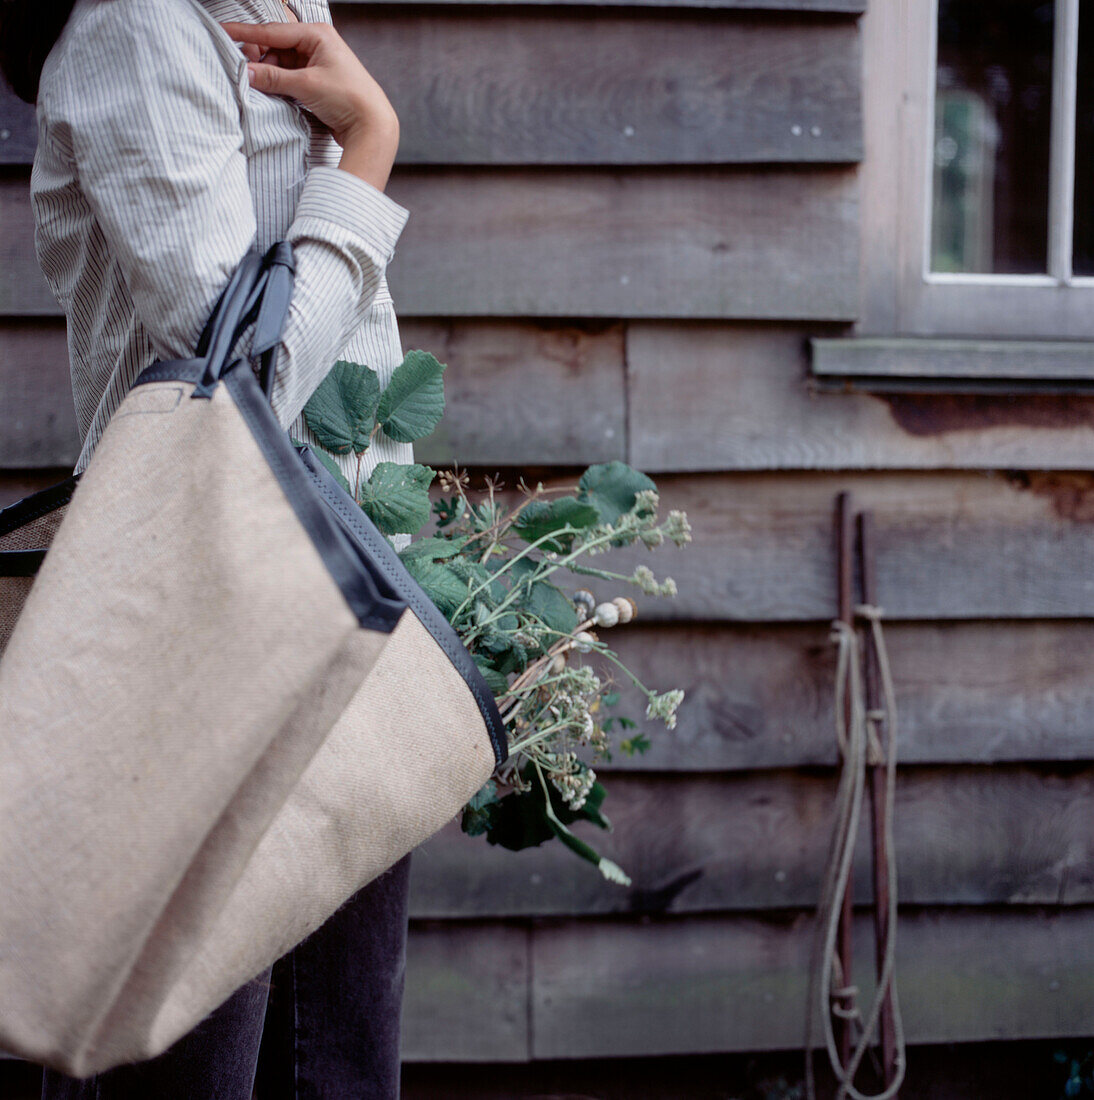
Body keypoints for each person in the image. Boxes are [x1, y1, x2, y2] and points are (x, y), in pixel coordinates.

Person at [0, 0, 418, 1095]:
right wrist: (366, 146)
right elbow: (248, 383)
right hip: (202, 614)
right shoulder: (141, 25)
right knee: (189, 1065)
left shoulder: (264, 5)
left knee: (336, 1060)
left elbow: (346, 359)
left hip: (335, 598)